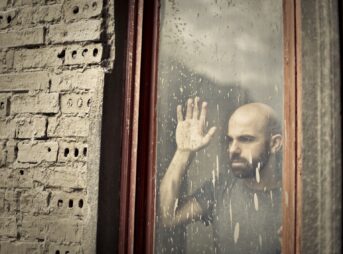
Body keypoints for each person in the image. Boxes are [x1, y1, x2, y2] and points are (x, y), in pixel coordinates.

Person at [159, 97, 283, 254]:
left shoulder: (294, 199)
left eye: (245, 139)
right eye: (230, 140)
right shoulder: (220, 187)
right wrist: (183, 151)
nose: (232, 150)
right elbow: (168, 216)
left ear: (274, 144)